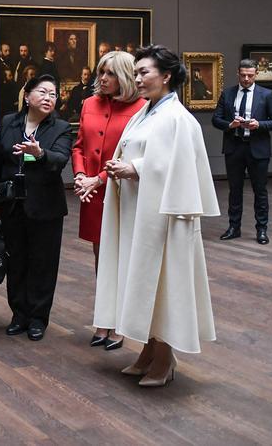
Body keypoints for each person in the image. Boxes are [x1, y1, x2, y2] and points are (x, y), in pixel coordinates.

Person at [94, 45, 218, 388]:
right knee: (144, 281)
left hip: (165, 220)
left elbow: (179, 167)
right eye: (135, 73)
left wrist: (135, 167)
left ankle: (164, 357)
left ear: (166, 76)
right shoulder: (146, 113)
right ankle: (148, 350)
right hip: (140, 212)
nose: (137, 79)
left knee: (163, 283)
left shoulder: (178, 118)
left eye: (144, 72)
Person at [0, 74, 72, 341]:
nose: (49, 98)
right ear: (27, 96)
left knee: (43, 263)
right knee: (17, 261)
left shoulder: (60, 127)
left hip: (46, 206)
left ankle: (38, 318)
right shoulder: (10, 123)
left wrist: (39, 153)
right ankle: (19, 314)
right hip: (12, 205)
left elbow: (60, 159)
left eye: (54, 94)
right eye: (43, 92)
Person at [71, 51, 145, 349]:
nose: (102, 78)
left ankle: (122, 324)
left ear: (125, 77)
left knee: (123, 258)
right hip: (90, 192)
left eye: (110, 74)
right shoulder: (89, 103)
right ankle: (104, 319)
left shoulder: (141, 108)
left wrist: (96, 179)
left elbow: (133, 156)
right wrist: (79, 175)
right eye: (101, 72)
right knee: (102, 259)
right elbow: (78, 145)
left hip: (121, 191)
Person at [211, 59, 272, 244]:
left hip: (257, 149)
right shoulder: (227, 93)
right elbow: (215, 119)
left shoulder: (266, 95)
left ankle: (261, 230)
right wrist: (230, 124)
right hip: (234, 147)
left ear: (256, 74)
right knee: (234, 190)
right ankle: (234, 228)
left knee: (260, 191)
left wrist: (259, 124)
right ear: (238, 73)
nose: (246, 79)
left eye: (250, 75)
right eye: (243, 75)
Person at [0, 43, 17, 124]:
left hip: (10, 91)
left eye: (9, 51)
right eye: (6, 51)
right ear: (0, 52)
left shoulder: (11, 63)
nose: (8, 53)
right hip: (2, 93)